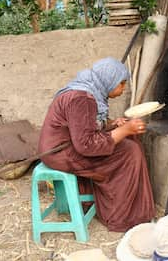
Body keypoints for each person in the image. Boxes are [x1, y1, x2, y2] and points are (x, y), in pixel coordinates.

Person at [37, 57, 156, 232]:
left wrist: (113, 125)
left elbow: (85, 126)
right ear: (108, 80)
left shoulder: (88, 92)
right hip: (61, 153)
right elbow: (86, 145)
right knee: (130, 152)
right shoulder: (81, 98)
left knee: (129, 142)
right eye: (121, 84)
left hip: (66, 147)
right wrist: (124, 131)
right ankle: (121, 217)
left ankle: (124, 208)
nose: (123, 89)